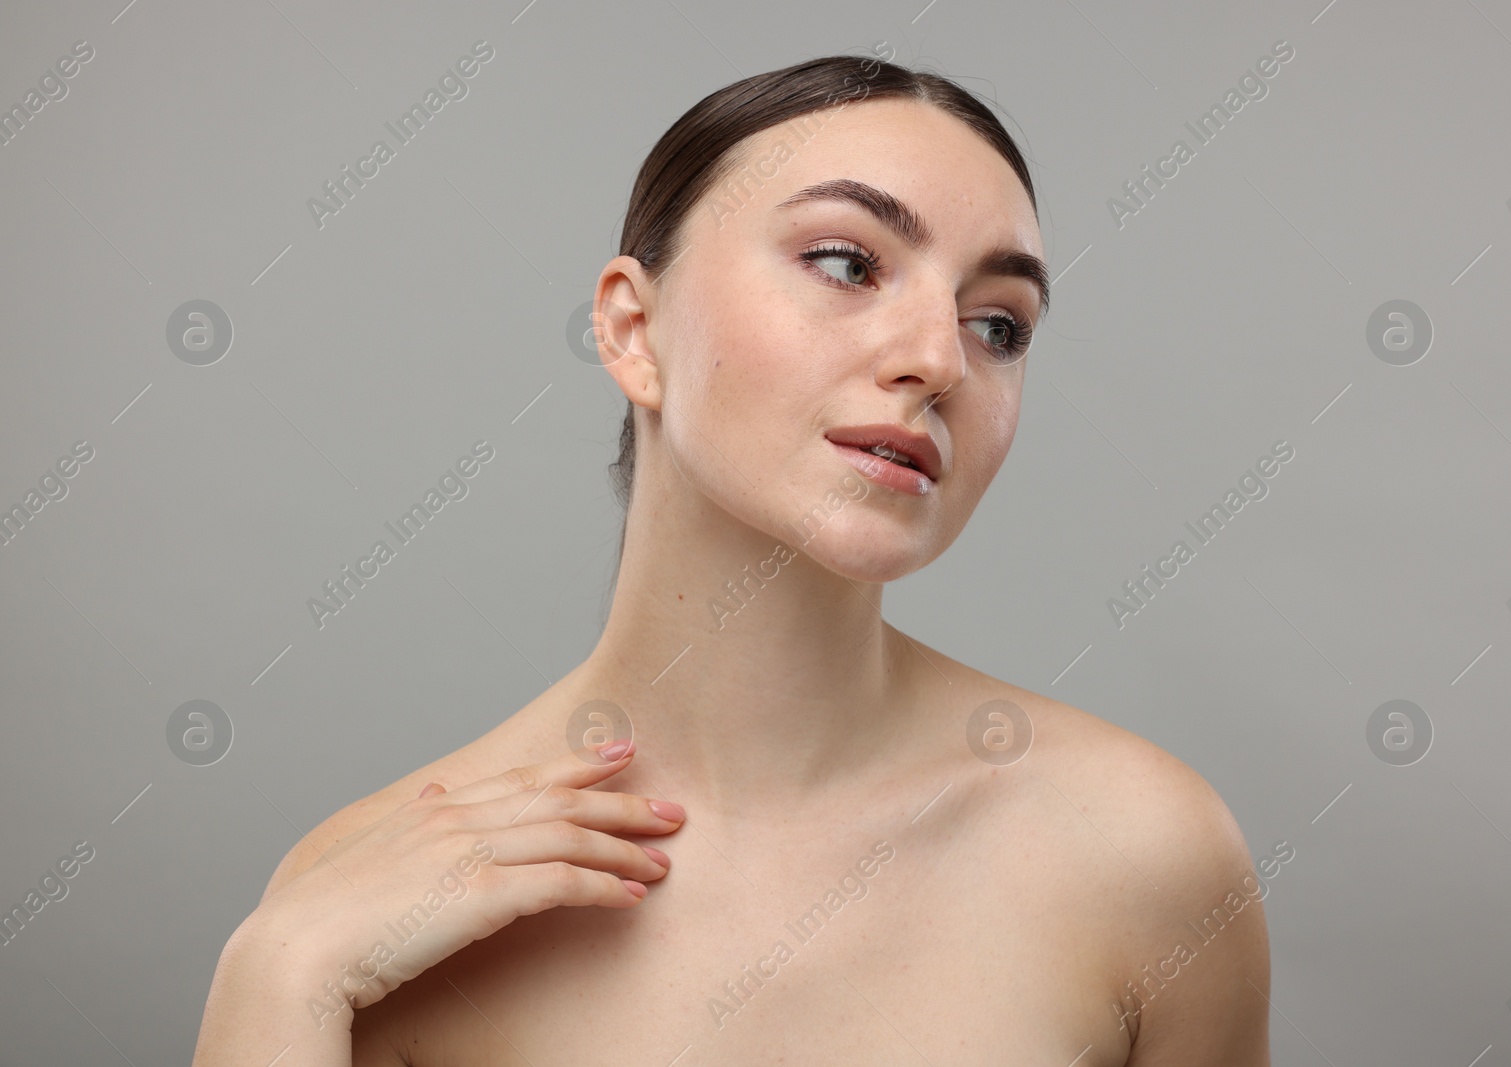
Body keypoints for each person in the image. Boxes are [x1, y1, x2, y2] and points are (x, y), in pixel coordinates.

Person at [193, 53, 1271, 1065]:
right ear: (630, 328)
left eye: (999, 324)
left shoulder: (1146, 854)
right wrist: (275, 979)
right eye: (847, 262)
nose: (938, 357)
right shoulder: (365, 898)